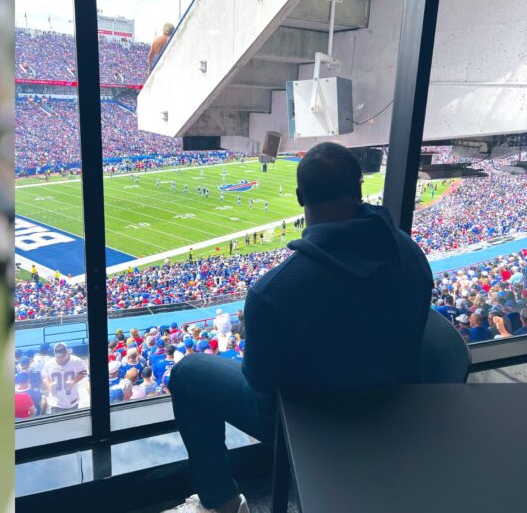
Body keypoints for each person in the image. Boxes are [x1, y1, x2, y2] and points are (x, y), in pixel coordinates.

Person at [163, 142, 432, 513]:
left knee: (188, 372)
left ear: (300, 196)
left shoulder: (275, 293)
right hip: (398, 407)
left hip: (318, 426)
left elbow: (261, 390)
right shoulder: (410, 252)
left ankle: (220, 501)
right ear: (358, 187)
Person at [42, 342, 88, 413]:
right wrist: (49, 386)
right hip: (56, 402)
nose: (61, 358)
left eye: (63, 356)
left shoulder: (76, 361)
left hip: (72, 400)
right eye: (58, 356)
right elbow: (44, 376)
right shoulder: (49, 364)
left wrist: (73, 381)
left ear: (67, 352)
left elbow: (84, 372)